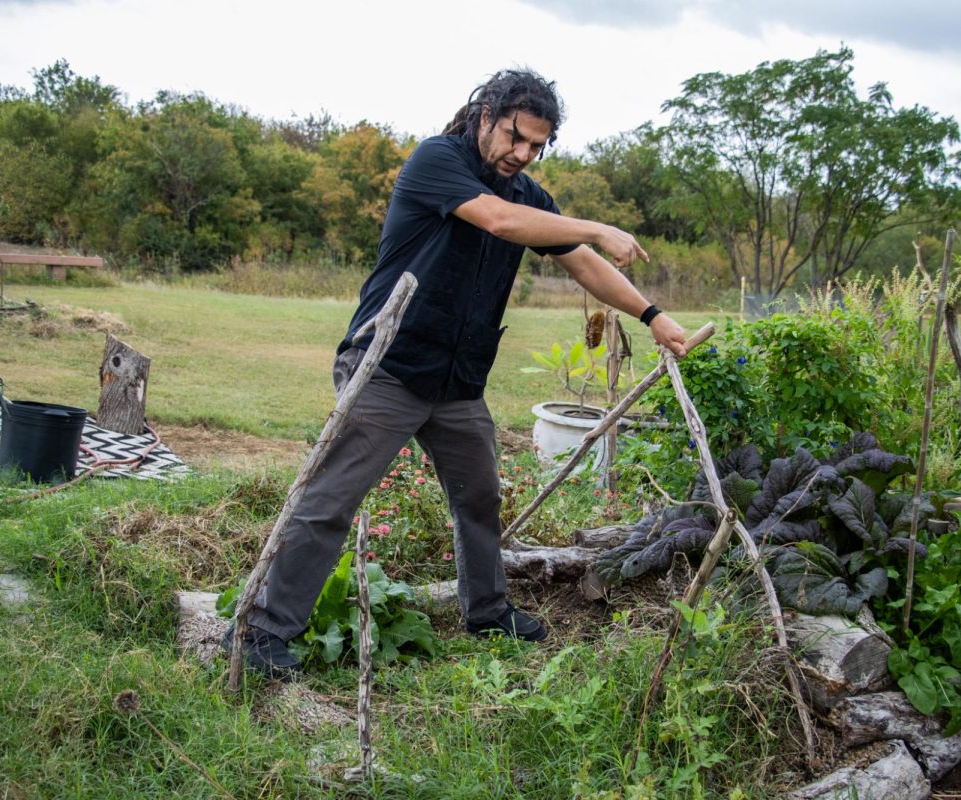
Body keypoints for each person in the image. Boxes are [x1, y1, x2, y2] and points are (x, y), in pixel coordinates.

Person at [227, 68, 689, 680]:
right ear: (486, 116)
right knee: (329, 500)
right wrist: (596, 225)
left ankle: (487, 612)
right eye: (515, 137)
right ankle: (263, 631)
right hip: (389, 365)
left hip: (458, 381)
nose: (522, 154)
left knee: (479, 496)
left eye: (535, 147)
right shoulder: (436, 161)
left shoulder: (527, 194)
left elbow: (583, 265)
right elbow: (500, 222)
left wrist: (651, 315)